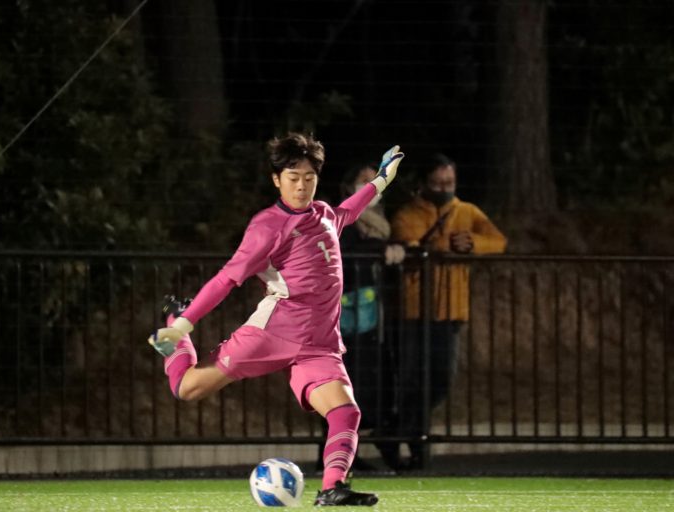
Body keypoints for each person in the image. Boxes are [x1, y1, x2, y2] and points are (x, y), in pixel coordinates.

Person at [148, 133, 404, 506]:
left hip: (318, 344)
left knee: (346, 412)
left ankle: (332, 488)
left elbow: (348, 210)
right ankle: (173, 326)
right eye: (293, 177)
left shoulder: (324, 214)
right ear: (276, 179)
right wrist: (184, 323)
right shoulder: (267, 225)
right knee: (187, 389)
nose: (301, 185)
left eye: (309, 177)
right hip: (273, 332)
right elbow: (227, 278)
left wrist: (381, 181)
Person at [390, 153, 506, 469]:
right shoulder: (408, 214)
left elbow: (497, 241)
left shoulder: (467, 211)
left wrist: (473, 244)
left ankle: (398, 429)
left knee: (440, 379)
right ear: (423, 184)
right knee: (413, 378)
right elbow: (408, 243)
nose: (444, 188)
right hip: (414, 309)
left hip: (451, 308)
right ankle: (415, 442)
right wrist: (440, 248)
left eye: (449, 182)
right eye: (438, 183)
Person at [314, 163, 406, 472]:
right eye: (364, 180)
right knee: (341, 385)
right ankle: (332, 454)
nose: (372, 186)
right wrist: (382, 249)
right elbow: (344, 247)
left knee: (369, 384)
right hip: (341, 316)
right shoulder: (341, 217)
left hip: (367, 314)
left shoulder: (380, 222)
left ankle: (347, 452)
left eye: (375, 180)